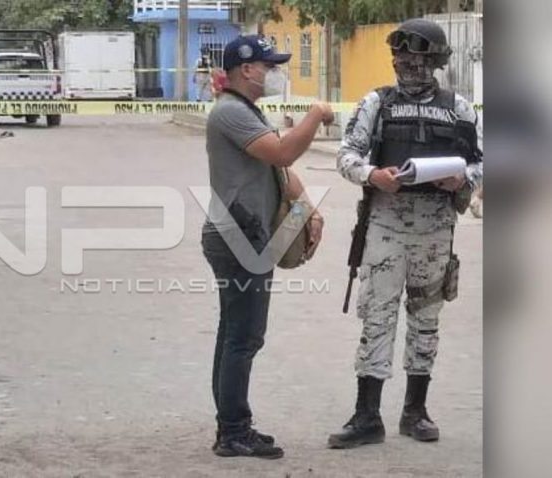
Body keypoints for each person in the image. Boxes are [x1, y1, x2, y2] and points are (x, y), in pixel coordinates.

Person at [329, 18, 483, 449]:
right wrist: (372, 175)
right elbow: (346, 155)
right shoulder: (376, 103)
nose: (407, 65)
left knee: (426, 320)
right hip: (385, 226)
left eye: (417, 58)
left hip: (436, 230)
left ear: (435, 62)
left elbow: (483, 160)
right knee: (377, 317)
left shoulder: (459, 108)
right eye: (400, 56)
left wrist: (463, 178)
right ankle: (367, 416)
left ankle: (416, 411)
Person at [201, 35, 333, 458]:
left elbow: (280, 172)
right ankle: (233, 432)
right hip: (237, 238)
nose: (274, 73)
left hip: (246, 234)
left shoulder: (246, 111)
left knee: (235, 333)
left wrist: (309, 210)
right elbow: (282, 153)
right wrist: (315, 115)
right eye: (268, 65)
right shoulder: (230, 112)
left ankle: (232, 425)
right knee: (243, 337)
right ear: (246, 69)